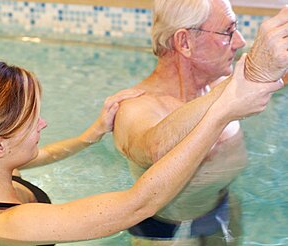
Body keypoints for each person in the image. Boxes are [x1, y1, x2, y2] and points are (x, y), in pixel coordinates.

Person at [0, 53, 281, 245]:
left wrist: (93, 133)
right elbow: (138, 204)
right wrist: (220, 114)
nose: (42, 125)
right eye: (33, 120)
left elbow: (44, 154)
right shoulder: (5, 224)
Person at [113, 0, 288, 244]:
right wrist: (245, 78)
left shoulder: (217, 85)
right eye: (228, 31)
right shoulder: (135, 107)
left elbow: (273, 73)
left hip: (222, 209)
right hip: (166, 231)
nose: (239, 42)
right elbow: (154, 148)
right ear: (184, 42)